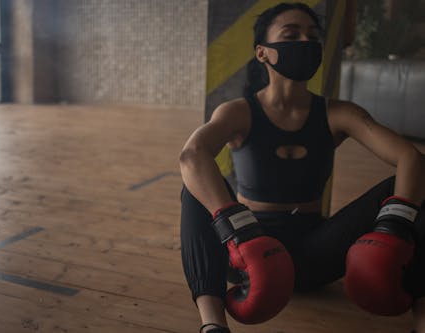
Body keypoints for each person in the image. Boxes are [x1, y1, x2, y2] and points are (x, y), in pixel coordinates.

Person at [178, 3, 425, 333]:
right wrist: (237, 229)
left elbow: (410, 157)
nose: (305, 42)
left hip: (314, 253)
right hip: (247, 251)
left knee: (415, 186)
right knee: (193, 190)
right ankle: (213, 325)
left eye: (312, 36)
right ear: (262, 53)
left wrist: (395, 225)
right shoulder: (239, 112)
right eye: (291, 35)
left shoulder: (339, 113)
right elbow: (192, 155)